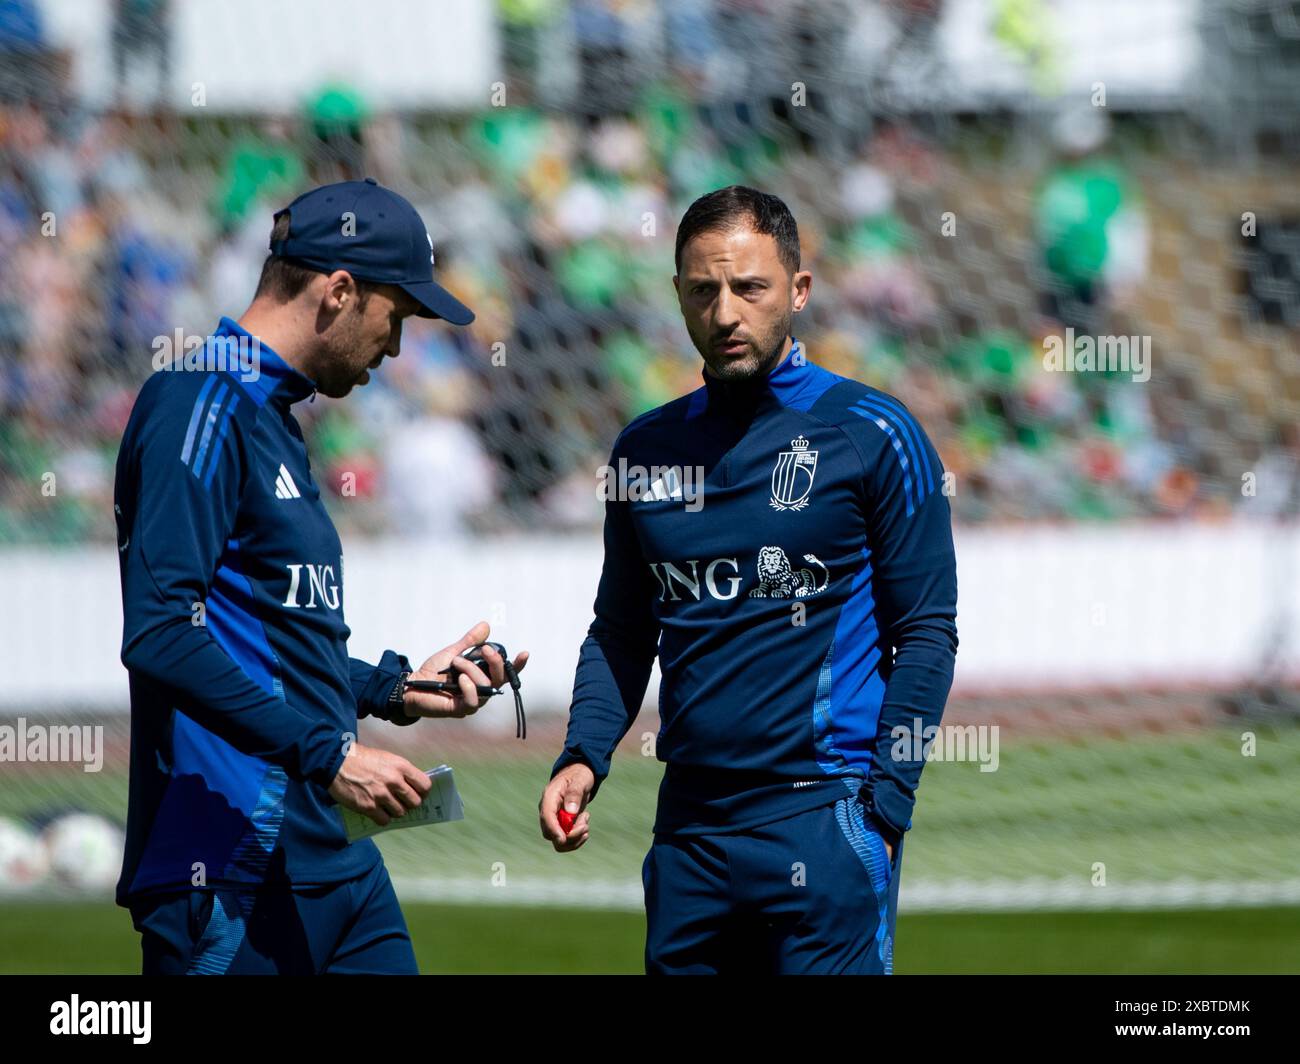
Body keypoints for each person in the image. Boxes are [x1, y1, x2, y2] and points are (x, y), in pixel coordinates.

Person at [114, 178, 528, 974]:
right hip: (230, 863)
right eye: (397, 316)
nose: (399, 347)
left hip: (334, 856)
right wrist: (331, 754)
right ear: (339, 292)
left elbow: (265, 639)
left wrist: (393, 690)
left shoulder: (272, 418)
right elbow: (162, 632)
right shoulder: (195, 404)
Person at [539, 185, 957, 974]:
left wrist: (886, 806)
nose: (725, 312)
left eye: (749, 287)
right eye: (703, 290)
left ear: (798, 291)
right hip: (690, 835)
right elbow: (622, 632)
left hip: (826, 818)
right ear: (678, 297)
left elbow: (927, 634)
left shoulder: (873, 434)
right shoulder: (643, 452)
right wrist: (584, 754)